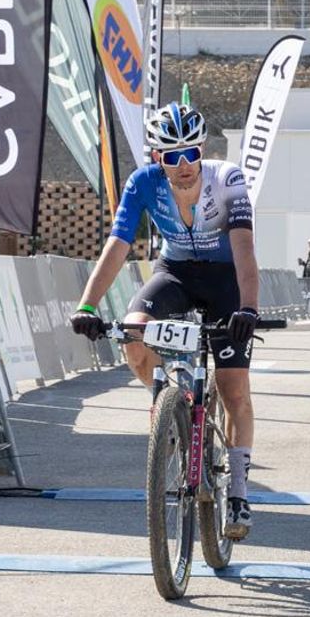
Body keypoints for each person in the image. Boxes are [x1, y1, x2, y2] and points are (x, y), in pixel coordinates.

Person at [68, 102, 263, 541]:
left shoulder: (226, 178)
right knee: (133, 332)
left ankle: (237, 489)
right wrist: (87, 306)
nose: (184, 165)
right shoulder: (143, 183)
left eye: (190, 152)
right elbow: (117, 246)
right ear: (158, 158)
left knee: (234, 389)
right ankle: (171, 410)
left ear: (201, 150)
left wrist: (247, 308)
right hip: (173, 273)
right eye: (171, 156)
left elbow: (246, 248)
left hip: (224, 279)